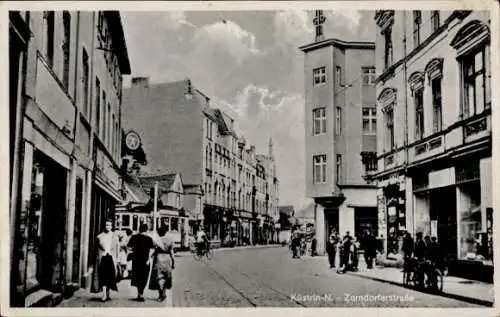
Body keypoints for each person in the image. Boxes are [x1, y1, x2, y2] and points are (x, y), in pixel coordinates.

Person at [91, 219, 120, 302]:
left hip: (111, 258)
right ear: (104, 226)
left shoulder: (115, 236)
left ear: (112, 226)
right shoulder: (100, 236)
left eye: (109, 225)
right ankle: (104, 295)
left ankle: (107, 294)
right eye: (106, 225)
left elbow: (117, 248)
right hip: (103, 258)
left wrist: (118, 259)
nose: (108, 226)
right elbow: (97, 249)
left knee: (110, 276)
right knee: (103, 276)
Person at [149, 225, 175, 305]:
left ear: (158, 233)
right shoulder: (170, 240)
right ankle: (164, 293)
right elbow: (172, 252)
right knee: (166, 276)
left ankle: (161, 295)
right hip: (167, 259)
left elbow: (155, 250)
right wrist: (173, 262)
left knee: (159, 277)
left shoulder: (157, 240)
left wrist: (152, 255)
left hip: (159, 259)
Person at [127, 224, 154, 301]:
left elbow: (129, 247)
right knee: (144, 277)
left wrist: (134, 250)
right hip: (145, 261)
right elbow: (151, 251)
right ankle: (141, 294)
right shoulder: (149, 239)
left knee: (137, 276)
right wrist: (148, 260)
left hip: (136, 260)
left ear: (139, 229)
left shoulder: (134, 237)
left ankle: (139, 294)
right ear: (146, 230)